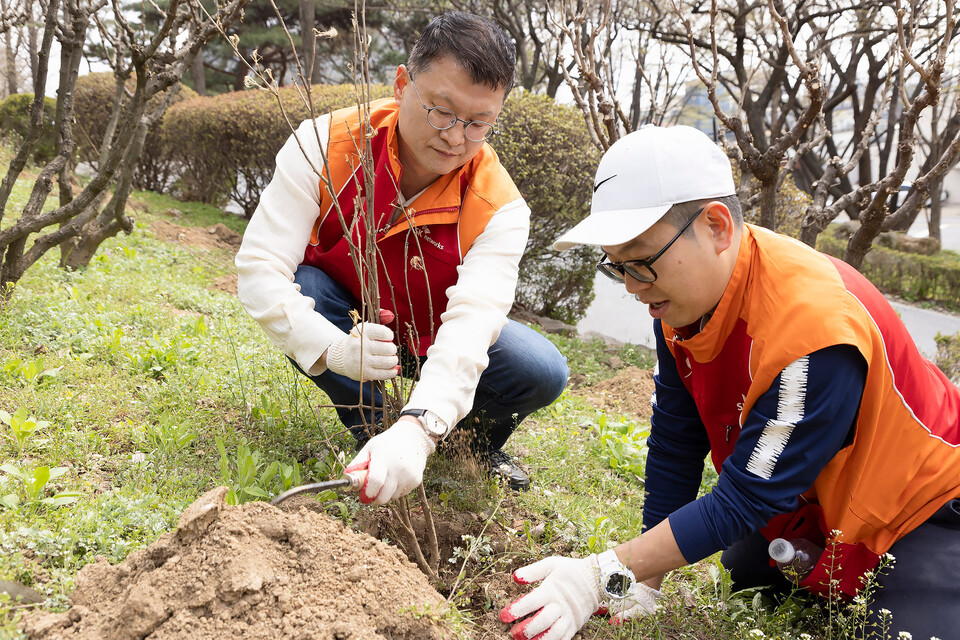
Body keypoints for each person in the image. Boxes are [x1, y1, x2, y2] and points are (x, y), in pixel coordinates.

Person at [500, 125, 960, 640]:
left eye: (642, 262)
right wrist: (645, 579)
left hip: (925, 507)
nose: (632, 287)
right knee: (746, 568)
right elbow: (677, 437)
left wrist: (601, 574)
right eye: (618, 266)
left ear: (717, 227)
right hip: (818, 500)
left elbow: (746, 499)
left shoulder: (814, 329)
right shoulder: (683, 300)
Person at [236, 12, 568, 506]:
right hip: (356, 326)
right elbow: (260, 267)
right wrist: (335, 350)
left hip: (436, 332)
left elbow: (473, 322)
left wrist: (421, 428)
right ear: (401, 84)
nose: (456, 137)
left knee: (541, 368)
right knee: (306, 285)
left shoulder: (498, 205)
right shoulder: (326, 144)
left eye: (478, 123)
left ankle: (461, 445)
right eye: (441, 111)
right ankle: (371, 427)